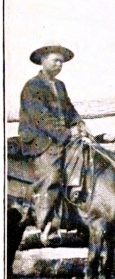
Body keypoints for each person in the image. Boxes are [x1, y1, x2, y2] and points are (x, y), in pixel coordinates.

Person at [18, 42, 92, 245]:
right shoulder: (33, 86)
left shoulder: (60, 86)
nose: (59, 65)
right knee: (51, 175)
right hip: (40, 141)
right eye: (55, 60)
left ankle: (80, 218)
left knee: (85, 161)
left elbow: (69, 109)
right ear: (43, 61)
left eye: (61, 62)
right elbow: (40, 118)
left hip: (59, 138)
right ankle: (47, 226)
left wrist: (80, 124)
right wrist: (67, 134)